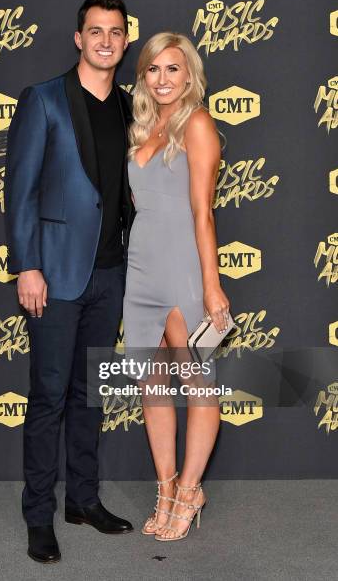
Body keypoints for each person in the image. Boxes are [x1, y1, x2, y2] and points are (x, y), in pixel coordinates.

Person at [5, 0, 134, 564]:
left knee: (91, 397)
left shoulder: (131, 106)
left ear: (125, 41)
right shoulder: (45, 100)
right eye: (95, 31)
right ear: (79, 38)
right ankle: (39, 515)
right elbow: (20, 191)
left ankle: (83, 500)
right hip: (54, 276)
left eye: (116, 32)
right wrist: (26, 265)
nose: (105, 40)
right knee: (49, 399)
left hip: (111, 275)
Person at [123, 32, 230, 541]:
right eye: (153, 69)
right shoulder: (143, 126)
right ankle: (165, 488)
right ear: (143, 76)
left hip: (182, 265)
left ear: (189, 74)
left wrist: (211, 286)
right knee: (151, 382)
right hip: (141, 266)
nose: (163, 79)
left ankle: (190, 491)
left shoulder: (199, 124)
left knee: (194, 381)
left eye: (173, 69)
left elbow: (202, 213)